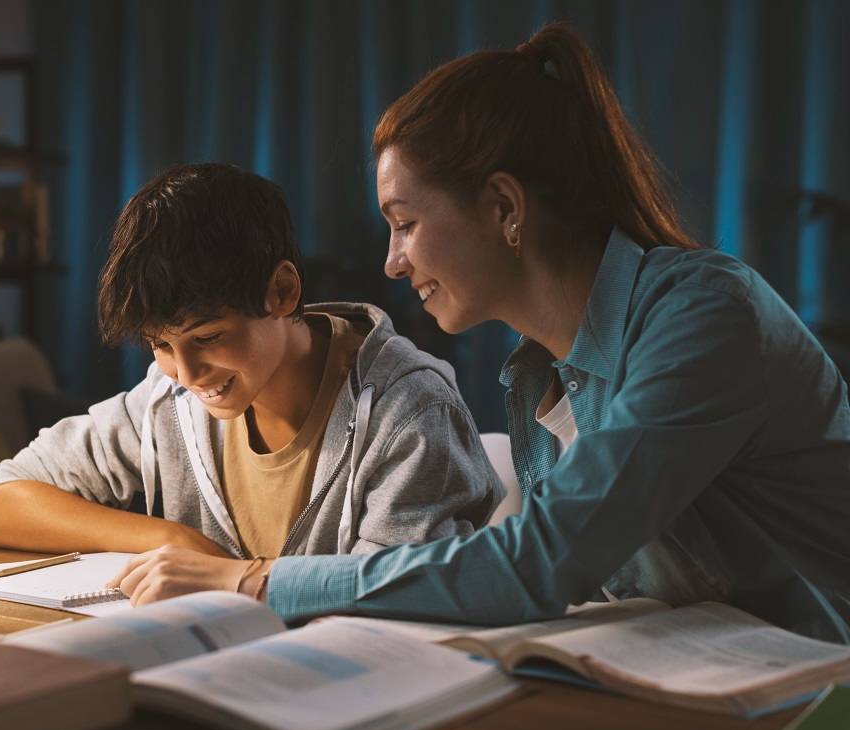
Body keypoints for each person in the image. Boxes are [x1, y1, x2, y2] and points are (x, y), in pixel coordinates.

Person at [110, 25, 850, 643]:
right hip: (700, 681)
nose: (392, 264)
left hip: (816, 695)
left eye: (405, 225)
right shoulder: (538, 376)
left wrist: (250, 579)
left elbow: (537, 565)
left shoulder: (705, 317)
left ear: (503, 207)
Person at [0, 163, 501, 582]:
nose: (188, 372)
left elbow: (399, 594)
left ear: (283, 291)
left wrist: (233, 579)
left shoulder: (408, 412)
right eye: (160, 345)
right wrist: (171, 540)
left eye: (208, 337)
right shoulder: (166, 400)